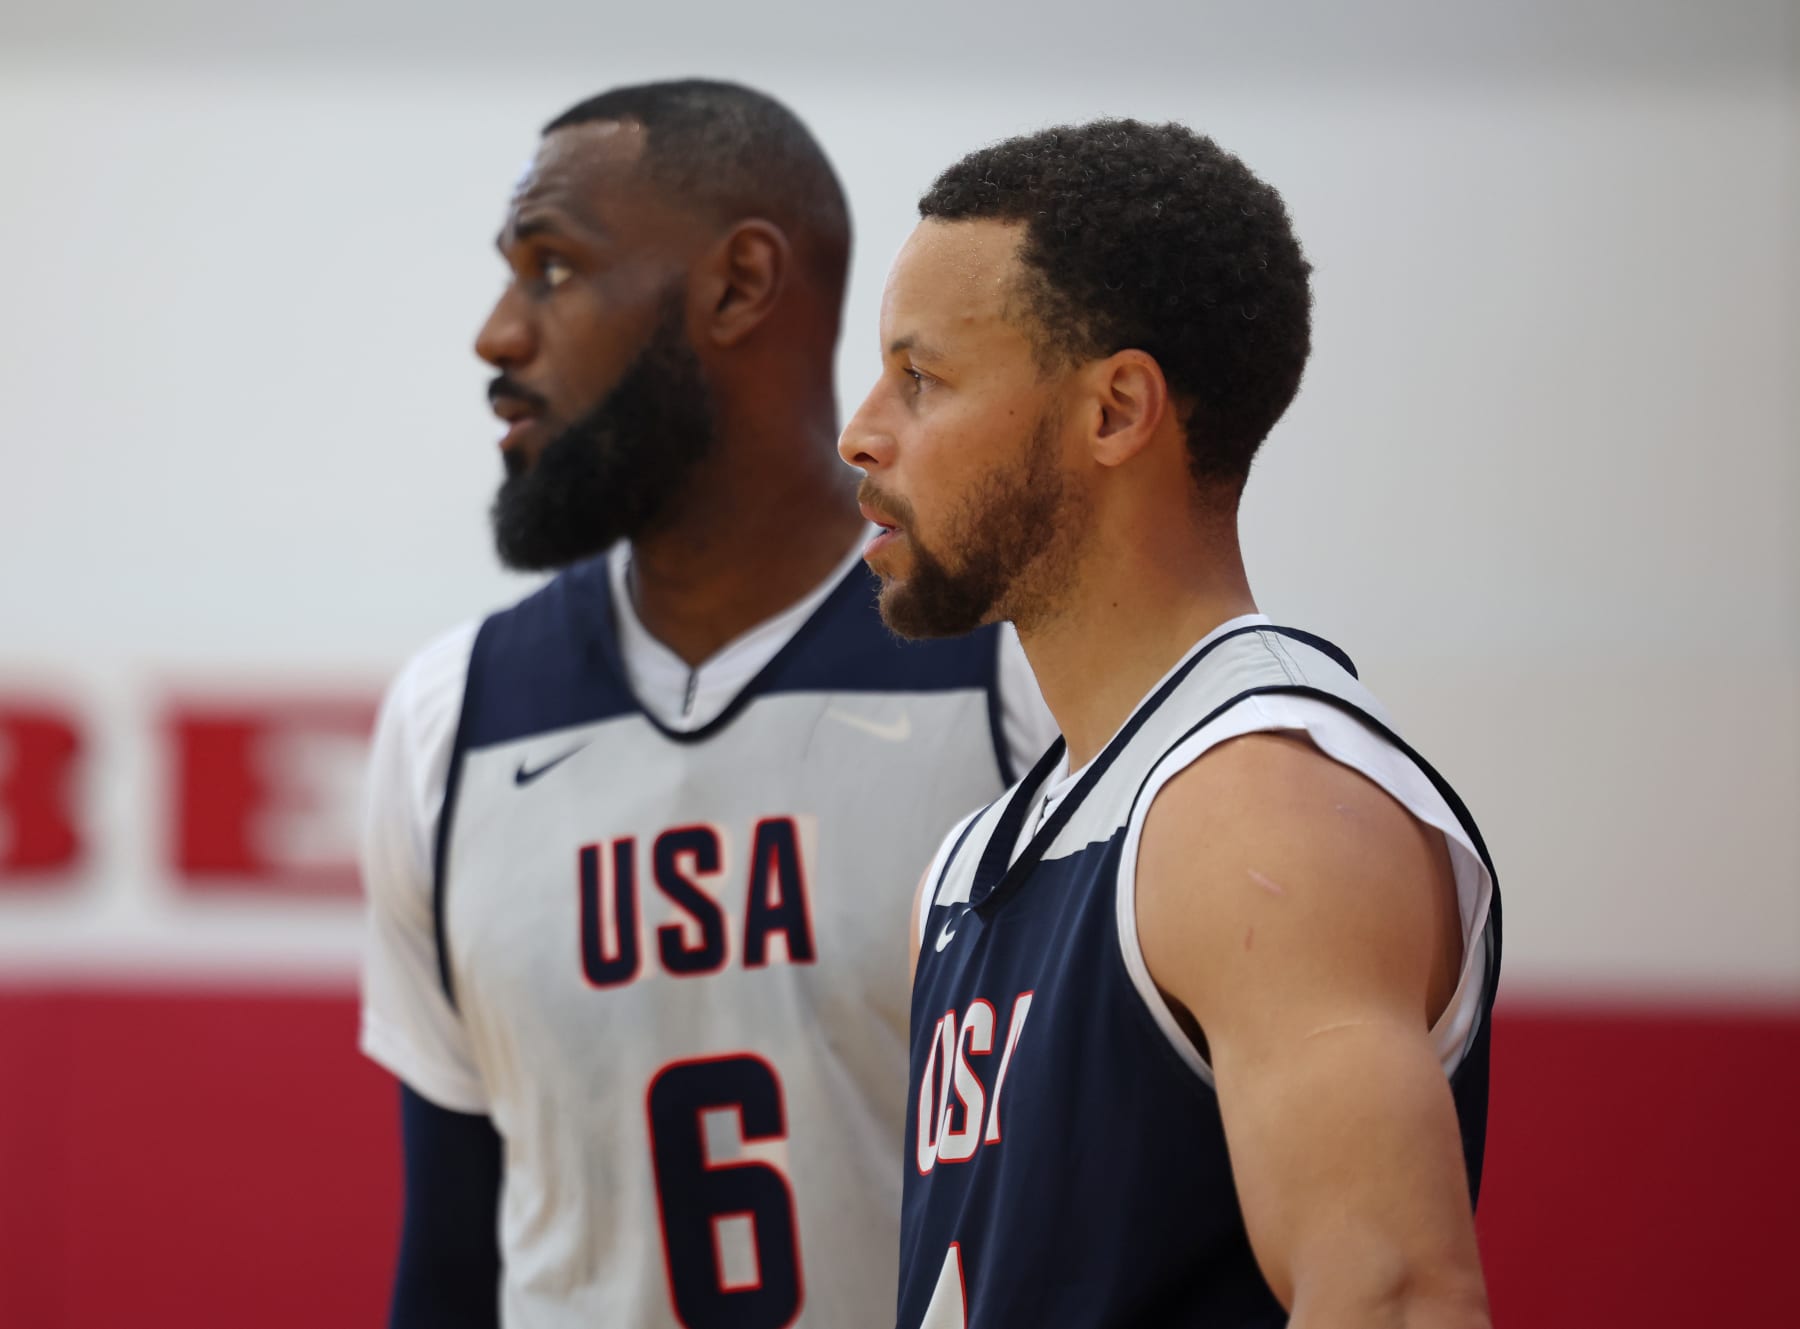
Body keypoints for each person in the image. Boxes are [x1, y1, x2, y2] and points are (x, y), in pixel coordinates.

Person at [358, 80, 1055, 1329]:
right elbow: (449, 1261)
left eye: (552, 268)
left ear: (738, 286)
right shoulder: (449, 720)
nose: (497, 337)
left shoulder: (1010, 675)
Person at [840, 118, 1501, 1328]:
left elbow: (1398, 1297)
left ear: (1115, 410)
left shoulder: (1262, 811)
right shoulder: (988, 849)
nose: (862, 431)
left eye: (921, 378)